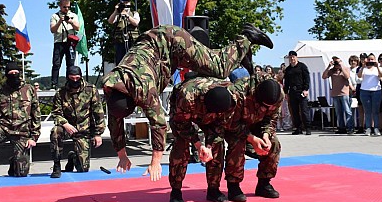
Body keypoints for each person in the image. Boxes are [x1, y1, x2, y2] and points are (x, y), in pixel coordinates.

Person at [103, 23, 273, 182]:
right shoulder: (112, 87)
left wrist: (155, 161)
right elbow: (114, 121)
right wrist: (122, 155)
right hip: (157, 47)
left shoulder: (143, 87)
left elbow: (159, 123)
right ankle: (240, 54)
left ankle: (246, 36)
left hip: (172, 40)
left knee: (219, 68)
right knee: (215, 66)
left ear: (134, 99)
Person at [167, 77, 239, 202]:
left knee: (218, 144)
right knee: (181, 144)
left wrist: (209, 147)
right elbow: (182, 125)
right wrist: (198, 145)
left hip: (212, 114)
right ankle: (176, 191)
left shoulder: (231, 98)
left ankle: (213, 189)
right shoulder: (187, 95)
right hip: (184, 113)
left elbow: (220, 126)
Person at [221, 78, 283, 202]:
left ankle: (264, 183)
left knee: (274, 144)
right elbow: (230, 123)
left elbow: (271, 119)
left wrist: (266, 135)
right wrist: (252, 140)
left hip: (257, 125)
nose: (268, 108)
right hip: (235, 126)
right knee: (237, 145)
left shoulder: (278, 95)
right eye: (265, 105)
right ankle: (233, 186)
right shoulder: (238, 94)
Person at [0, 62, 41, 183]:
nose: (14, 75)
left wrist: (34, 137)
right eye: (10, 73)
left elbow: (36, 115)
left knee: (21, 174)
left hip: (22, 132)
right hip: (4, 129)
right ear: (6, 75)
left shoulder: (29, 90)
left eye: (16, 73)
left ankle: (14, 161)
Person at [49, 66, 105, 177]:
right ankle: (57, 164)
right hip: (67, 128)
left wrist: (98, 133)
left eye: (77, 78)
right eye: (72, 78)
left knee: (83, 169)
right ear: (67, 78)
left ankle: (73, 157)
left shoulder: (91, 90)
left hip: (84, 129)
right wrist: (65, 124)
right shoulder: (61, 93)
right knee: (55, 131)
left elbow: (98, 112)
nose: (75, 80)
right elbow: (56, 113)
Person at [50, 0, 81, 89]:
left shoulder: (73, 15)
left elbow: (78, 28)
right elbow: (52, 29)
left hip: (70, 43)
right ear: (60, 6)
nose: (66, 9)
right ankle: (54, 83)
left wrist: (70, 21)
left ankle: (70, 82)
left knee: (70, 64)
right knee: (56, 63)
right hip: (59, 42)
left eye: (68, 7)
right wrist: (60, 21)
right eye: (64, 7)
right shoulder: (54, 16)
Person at [322, 56, 353, 134]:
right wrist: (329, 66)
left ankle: (350, 128)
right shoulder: (332, 71)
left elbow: (347, 76)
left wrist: (341, 65)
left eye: (337, 61)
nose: (336, 64)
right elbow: (324, 76)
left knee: (347, 111)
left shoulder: (345, 68)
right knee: (339, 112)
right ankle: (341, 128)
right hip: (335, 94)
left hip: (344, 93)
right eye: (335, 62)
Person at [284, 50, 311, 135]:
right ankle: (298, 128)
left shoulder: (302, 66)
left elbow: (307, 79)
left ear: (296, 57)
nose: (292, 58)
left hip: (301, 90)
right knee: (294, 111)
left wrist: (306, 89)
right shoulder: (288, 69)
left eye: (293, 57)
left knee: (304, 110)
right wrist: (286, 92)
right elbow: (286, 82)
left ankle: (307, 128)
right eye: (290, 57)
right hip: (292, 91)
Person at [357, 53, 382, 136]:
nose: (370, 61)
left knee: (375, 111)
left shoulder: (378, 68)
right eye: (369, 59)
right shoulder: (364, 68)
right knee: (367, 111)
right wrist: (363, 66)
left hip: (376, 90)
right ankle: (368, 128)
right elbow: (359, 76)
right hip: (365, 90)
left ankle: (376, 128)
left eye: (372, 59)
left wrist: (377, 66)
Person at [108, 0, 140, 65]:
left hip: (132, 41)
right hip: (120, 42)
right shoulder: (117, 15)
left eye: (127, 2)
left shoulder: (134, 13)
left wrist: (127, 15)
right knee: (120, 62)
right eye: (123, 3)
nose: (125, 5)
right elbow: (110, 21)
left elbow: (136, 23)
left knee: (133, 61)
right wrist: (116, 11)